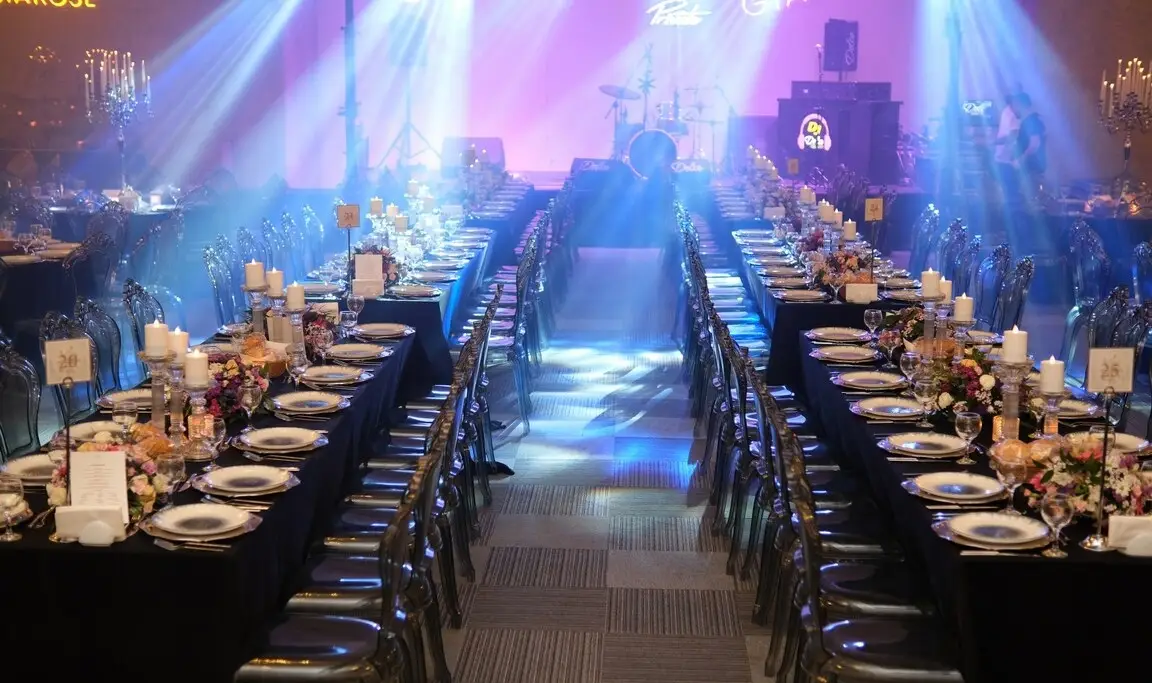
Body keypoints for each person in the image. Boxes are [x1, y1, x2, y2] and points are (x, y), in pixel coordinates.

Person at [1010, 92, 1046, 196]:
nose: (1012, 109)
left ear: (1019, 104)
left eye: (1013, 105)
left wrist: (1020, 160)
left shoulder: (1031, 121)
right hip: (1030, 168)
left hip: (1031, 169)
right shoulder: (1030, 121)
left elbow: (1034, 144)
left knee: (1030, 197)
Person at [993, 93, 1020, 198]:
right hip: (1006, 158)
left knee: (1007, 188)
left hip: (1003, 157)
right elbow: (1011, 137)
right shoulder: (1011, 116)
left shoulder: (1007, 112)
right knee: (1010, 190)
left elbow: (1010, 136)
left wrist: (994, 142)